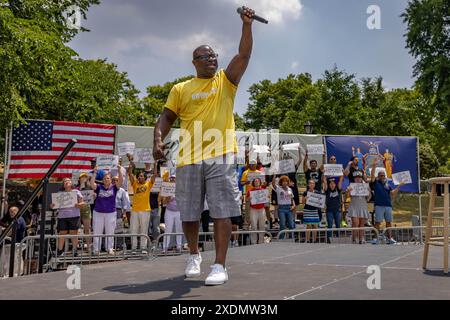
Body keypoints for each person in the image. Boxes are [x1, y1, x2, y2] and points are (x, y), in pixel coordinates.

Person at [152, 6, 256, 286]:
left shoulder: (225, 81)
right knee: (189, 213)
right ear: (195, 61)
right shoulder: (181, 89)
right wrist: (158, 138)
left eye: (214, 55)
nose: (212, 59)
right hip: (188, 158)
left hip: (221, 155)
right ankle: (194, 254)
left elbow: (244, 54)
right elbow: (166, 117)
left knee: (222, 210)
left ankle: (220, 265)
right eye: (206, 56)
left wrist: (246, 25)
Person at [90, 167, 123, 255]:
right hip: (98, 212)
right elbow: (92, 184)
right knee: (97, 231)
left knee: (110, 231)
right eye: (104, 178)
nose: (106, 179)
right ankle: (96, 249)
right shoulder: (99, 187)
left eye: (108, 178)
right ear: (102, 180)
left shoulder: (114, 187)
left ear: (111, 179)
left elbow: (120, 181)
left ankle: (110, 248)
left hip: (111, 213)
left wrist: (119, 170)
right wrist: (95, 173)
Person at [370, 160, 403, 244]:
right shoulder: (375, 183)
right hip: (379, 205)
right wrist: (374, 166)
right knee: (378, 222)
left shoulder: (388, 185)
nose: (382, 176)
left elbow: (392, 193)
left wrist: (399, 186)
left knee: (388, 222)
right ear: (378, 176)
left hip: (388, 206)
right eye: (381, 175)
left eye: (383, 175)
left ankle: (390, 238)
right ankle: (375, 238)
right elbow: (372, 176)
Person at [50, 178, 85, 256]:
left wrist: (79, 205)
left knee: (74, 233)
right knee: (62, 233)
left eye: (68, 181)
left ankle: (75, 250)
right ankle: (60, 251)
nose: (66, 182)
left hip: (74, 215)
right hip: (62, 216)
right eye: (65, 181)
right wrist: (52, 206)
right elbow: (53, 205)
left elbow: (82, 203)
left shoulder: (76, 192)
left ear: (71, 183)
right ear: (63, 184)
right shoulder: (59, 193)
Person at [128, 158, 155, 253]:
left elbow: (155, 175)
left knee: (144, 230)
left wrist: (155, 163)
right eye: (139, 176)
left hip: (145, 210)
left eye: (141, 176)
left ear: (145, 178)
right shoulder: (135, 184)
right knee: (134, 230)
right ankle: (134, 248)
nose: (139, 177)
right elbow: (130, 174)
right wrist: (131, 163)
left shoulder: (149, 184)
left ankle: (143, 248)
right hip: (135, 210)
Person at [346, 170, 371, 244]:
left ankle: (362, 238)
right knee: (355, 223)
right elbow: (346, 197)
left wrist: (369, 192)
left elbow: (368, 198)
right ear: (354, 178)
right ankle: (354, 238)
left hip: (363, 206)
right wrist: (348, 191)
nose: (358, 179)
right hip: (354, 206)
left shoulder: (365, 186)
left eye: (359, 177)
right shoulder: (351, 186)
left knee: (362, 224)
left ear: (361, 178)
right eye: (356, 177)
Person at [160, 175, 182, 253]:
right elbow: (163, 202)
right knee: (168, 230)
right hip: (169, 211)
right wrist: (169, 196)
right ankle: (165, 247)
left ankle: (179, 247)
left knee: (179, 229)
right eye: (171, 178)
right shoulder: (166, 189)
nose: (173, 180)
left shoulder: (180, 188)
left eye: (174, 178)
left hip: (178, 211)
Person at [241, 159, 263, 229]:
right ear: (249, 164)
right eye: (251, 164)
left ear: (256, 165)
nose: (253, 165)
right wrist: (246, 182)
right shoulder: (245, 172)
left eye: (254, 164)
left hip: (258, 195)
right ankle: (247, 225)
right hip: (249, 194)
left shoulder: (259, 172)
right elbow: (241, 183)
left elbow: (263, 183)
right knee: (248, 211)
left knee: (258, 211)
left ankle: (257, 226)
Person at [323, 175, 344, 243]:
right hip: (329, 211)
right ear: (329, 185)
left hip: (337, 210)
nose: (332, 185)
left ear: (335, 184)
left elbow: (340, 180)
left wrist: (341, 173)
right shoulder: (327, 191)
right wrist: (324, 176)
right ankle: (329, 240)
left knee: (338, 225)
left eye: (333, 184)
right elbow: (325, 182)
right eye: (331, 184)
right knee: (330, 225)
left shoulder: (338, 189)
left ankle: (338, 239)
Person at [246, 178, 267, 244]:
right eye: (255, 181)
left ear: (260, 182)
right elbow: (246, 200)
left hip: (261, 209)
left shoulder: (263, 190)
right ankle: (253, 242)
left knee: (262, 226)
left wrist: (267, 197)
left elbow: (266, 200)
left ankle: (261, 242)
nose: (256, 182)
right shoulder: (250, 191)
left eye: (258, 181)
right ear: (253, 183)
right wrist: (248, 199)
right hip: (253, 210)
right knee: (254, 226)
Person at [78, 173, 94, 251]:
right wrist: (81, 185)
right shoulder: (76, 187)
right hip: (77, 209)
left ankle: (89, 246)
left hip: (86, 208)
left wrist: (94, 195)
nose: (84, 179)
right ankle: (75, 247)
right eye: (82, 177)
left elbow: (93, 197)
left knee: (87, 228)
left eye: (85, 177)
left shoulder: (90, 187)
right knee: (76, 229)